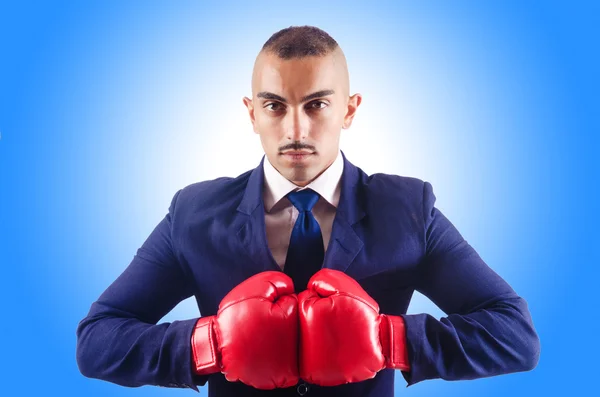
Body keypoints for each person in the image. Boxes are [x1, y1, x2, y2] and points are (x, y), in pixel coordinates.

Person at [75, 25, 540, 397]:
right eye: (274, 106)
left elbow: (514, 335)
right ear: (251, 113)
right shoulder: (193, 213)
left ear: (349, 110)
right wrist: (207, 344)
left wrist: (390, 341)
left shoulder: (408, 210)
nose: (295, 128)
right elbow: (97, 341)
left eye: (316, 104)